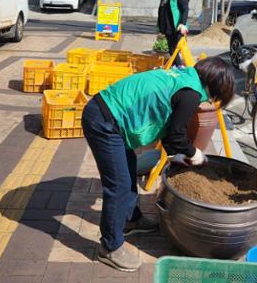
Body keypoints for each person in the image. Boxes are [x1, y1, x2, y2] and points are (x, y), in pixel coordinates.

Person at [81, 57, 235, 272]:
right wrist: (194, 153)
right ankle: (110, 247)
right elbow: (177, 134)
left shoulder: (184, 77)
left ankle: (130, 219)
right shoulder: (191, 94)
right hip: (104, 121)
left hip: (107, 113)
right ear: (217, 86)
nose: (210, 102)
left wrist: (175, 155)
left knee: (129, 167)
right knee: (118, 185)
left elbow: (167, 121)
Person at [158, 0, 189, 66]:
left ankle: (180, 68)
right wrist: (159, 27)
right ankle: (176, 67)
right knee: (171, 50)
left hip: (177, 27)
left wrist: (183, 24)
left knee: (175, 49)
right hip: (167, 28)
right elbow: (161, 11)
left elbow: (185, 10)